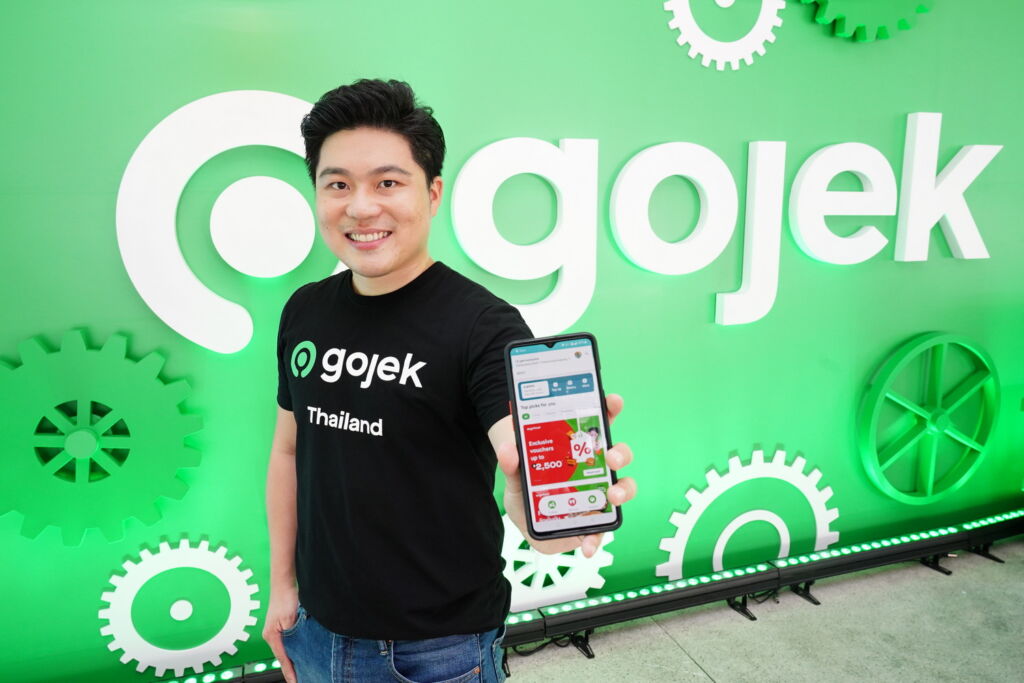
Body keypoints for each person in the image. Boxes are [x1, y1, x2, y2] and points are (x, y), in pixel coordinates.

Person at [262, 79, 636, 683]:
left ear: (433, 193)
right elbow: (288, 451)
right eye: (338, 185)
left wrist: (535, 512)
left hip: (437, 655)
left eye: (388, 183)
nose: (361, 207)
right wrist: (283, 588)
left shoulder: (483, 326)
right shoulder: (304, 310)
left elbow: (516, 445)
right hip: (315, 629)